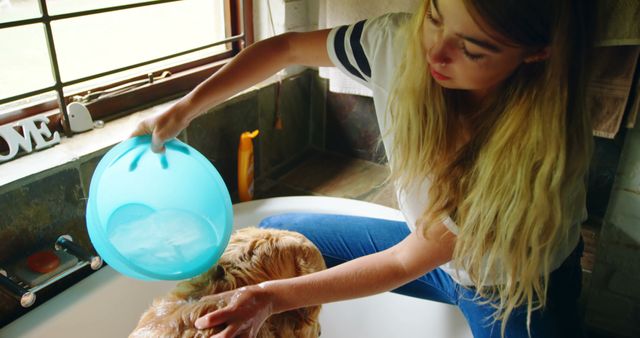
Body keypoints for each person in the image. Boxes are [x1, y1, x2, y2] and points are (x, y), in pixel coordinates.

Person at [131, 0, 593, 337]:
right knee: (278, 236)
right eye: (434, 16)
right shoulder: (393, 42)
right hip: (436, 259)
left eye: (472, 49)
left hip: (516, 291)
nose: (435, 53)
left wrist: (271, 297)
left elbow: (402, 262)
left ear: (535, 53)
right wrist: (184, 109)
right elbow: (286, 48)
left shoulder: (535, 152)